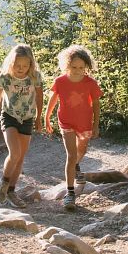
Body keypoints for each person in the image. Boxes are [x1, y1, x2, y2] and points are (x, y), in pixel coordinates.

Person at [43, 45, 102, 211]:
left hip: (85, 123)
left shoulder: (90, 83)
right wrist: (47, 117)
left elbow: (96, 105)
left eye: (81, 68)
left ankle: (76, 166)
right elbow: (53, 99)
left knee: (81, 152)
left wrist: (96, 125)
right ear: (67, 65)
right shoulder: (60, 81)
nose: (77, 71)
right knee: (71, 154)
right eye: (74, 67)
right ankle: (70, 193)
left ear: (86, 67)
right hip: (66, 122)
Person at [0, 43, 44, 207]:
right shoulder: (5, 77)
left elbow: (39, 97)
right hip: (9, 116)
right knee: (15, 153)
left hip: (27, 118)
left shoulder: (34, 76)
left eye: (25, 65)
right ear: (11, 62)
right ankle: (2, 184)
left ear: (30, 65)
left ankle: (11, 191)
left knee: (20, 158)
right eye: (18, 65)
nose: (21, 68)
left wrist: (39, 118)